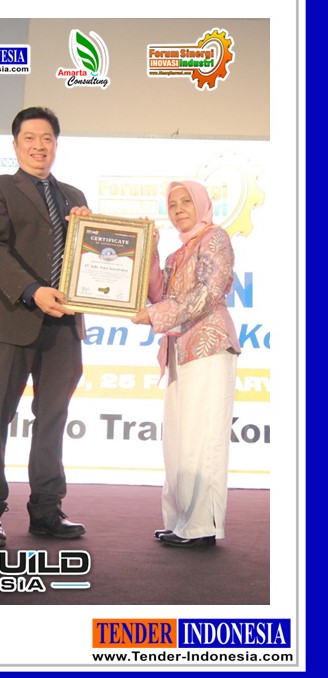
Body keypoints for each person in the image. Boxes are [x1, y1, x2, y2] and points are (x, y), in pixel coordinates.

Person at [0, 107, 91, 546]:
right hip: (12, 320)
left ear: (57, 144)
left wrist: (94, 232)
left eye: (47, 139)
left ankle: (47, 509)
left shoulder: (73, 195)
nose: (39, 146)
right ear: (16, 144)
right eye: (30, 138)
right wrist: (32, 290)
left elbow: (91, 258)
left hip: (65, 325)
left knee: (53, 418)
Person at [132, 180, 241, 549]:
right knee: (179, 440)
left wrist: (156, 315)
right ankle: (182, 520)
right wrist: (150, 250)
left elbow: (209, 291)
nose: (179, 209)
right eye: (172, 204)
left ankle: (201, 526)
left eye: (185, 202)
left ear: (201, 204)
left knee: (202, 439)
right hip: (180, 348)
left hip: (208, 345)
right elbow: (159, 294)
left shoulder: (215, 238)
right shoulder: (178, 253)